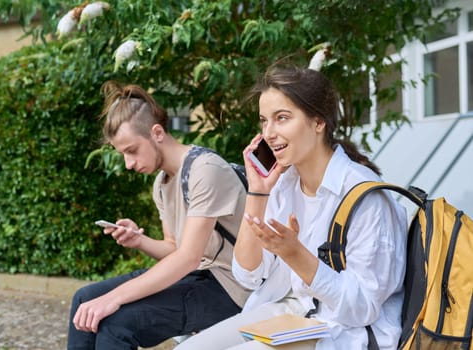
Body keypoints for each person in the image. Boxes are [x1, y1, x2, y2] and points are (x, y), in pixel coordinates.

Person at [175, 64, 408, 350]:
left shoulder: (365, 197)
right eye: (264, 121)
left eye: (281, 118)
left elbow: (363, 307)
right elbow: (248, 274)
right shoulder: (286, 184)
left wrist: (296, 254)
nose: (269, 133)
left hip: (345, 332)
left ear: (318, 122)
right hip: (295, 312)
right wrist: (257, 192)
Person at [67, 81, 250, 350]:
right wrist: (138, 240)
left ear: (157, 133)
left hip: (231, 288)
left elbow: (186, 258)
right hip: (198, 275)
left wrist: (113, 298)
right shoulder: (162, 183)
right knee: (84, 300)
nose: (128, 164)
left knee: (117, 325)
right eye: (122, 155)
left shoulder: (205, 170)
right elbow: (173, 249)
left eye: (131, 151)